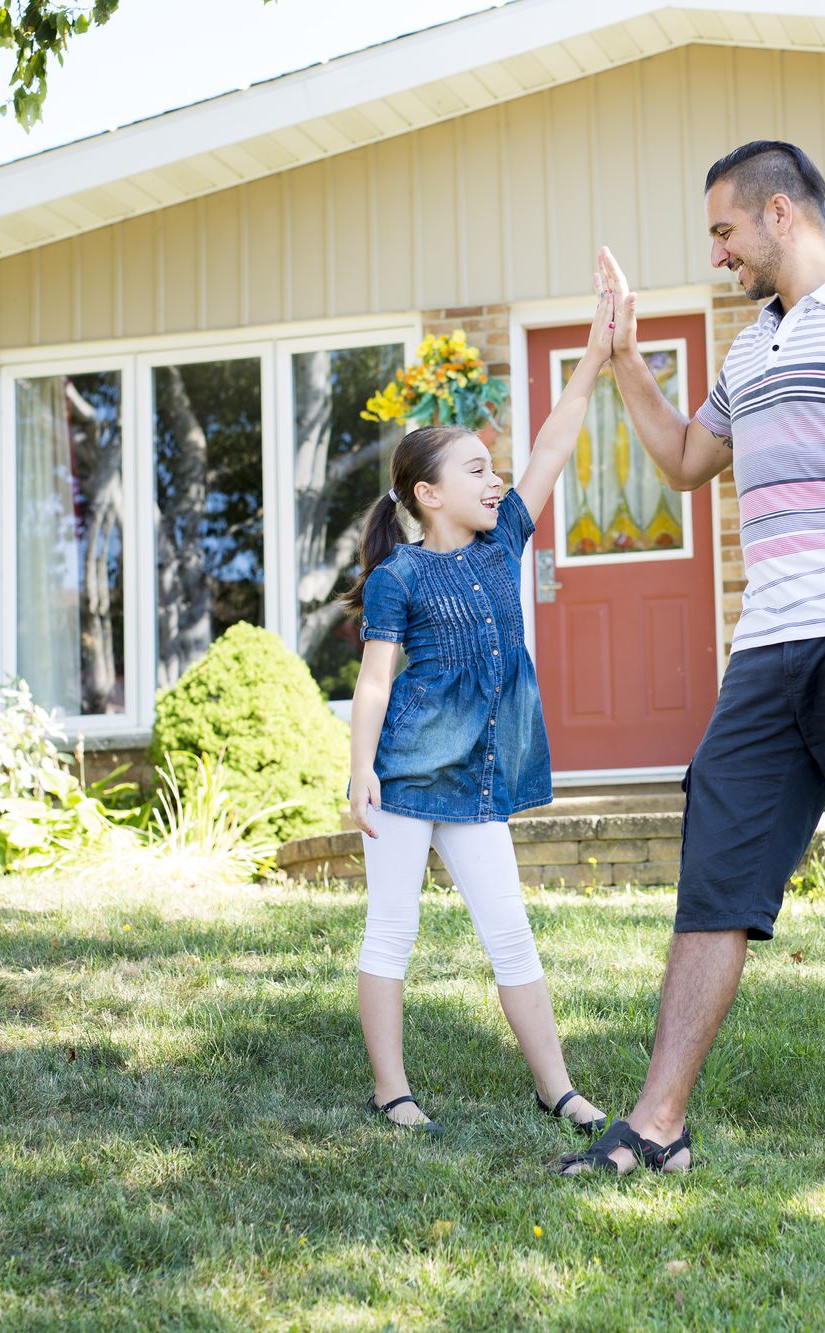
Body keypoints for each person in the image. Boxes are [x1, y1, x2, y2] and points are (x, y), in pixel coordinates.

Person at [554, 141, 825, 1197]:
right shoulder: (748, 352)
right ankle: (656, 1123)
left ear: (780, 214)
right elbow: (686, 461)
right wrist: (624, 354)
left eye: (723, 232)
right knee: (713, 882)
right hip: (765, 650)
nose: (718, 253)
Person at [339, 286, 618, 1135]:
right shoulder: (401, 577)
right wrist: (361, 773)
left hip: (478, 779)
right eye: (475, 471)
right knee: (392, 931)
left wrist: (597, 358)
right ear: (427, 494)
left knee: (510, 930)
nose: (496, 480)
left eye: (493, 472)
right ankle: (393, 1089)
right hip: (407, 778)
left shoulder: (502, 546)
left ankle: (557, 1085)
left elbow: (551, 444)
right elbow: (376, 683)